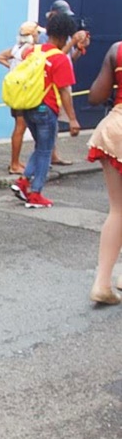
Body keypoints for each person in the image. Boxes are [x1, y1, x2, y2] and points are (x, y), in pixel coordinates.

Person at [10, 10, 80, 209]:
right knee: (46, 152)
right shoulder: (60, 59)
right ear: (65, 35)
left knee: (40, 148)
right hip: (46, 109)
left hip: (28, 107)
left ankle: (23, 182)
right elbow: (64, 91)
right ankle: (36, 193)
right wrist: (73, 119)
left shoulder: (33, 51)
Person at [86, 41, 122, 305]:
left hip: (115, 128)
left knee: (118, 209)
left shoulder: (116, 50)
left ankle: (102, 283)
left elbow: (96, 96)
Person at [42, 0, 90, 166]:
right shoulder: (46, 36)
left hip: (63, 80)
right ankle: (46, 158)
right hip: (50, 85)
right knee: (48, 123)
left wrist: (80, 48)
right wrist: (71, 42)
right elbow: (55, 58)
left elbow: (70, 59)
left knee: (54, 121)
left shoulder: (66, 36)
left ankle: (53, 155)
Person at [0, 20, 42, 175]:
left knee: (20, 126)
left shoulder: (17, 48)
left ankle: (15, 161)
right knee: (20, 127)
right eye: (37, 33)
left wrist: (12, 69)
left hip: (16, 91)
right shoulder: (30, 50)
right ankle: (14, 164)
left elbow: (0, 56)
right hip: (24, 92)